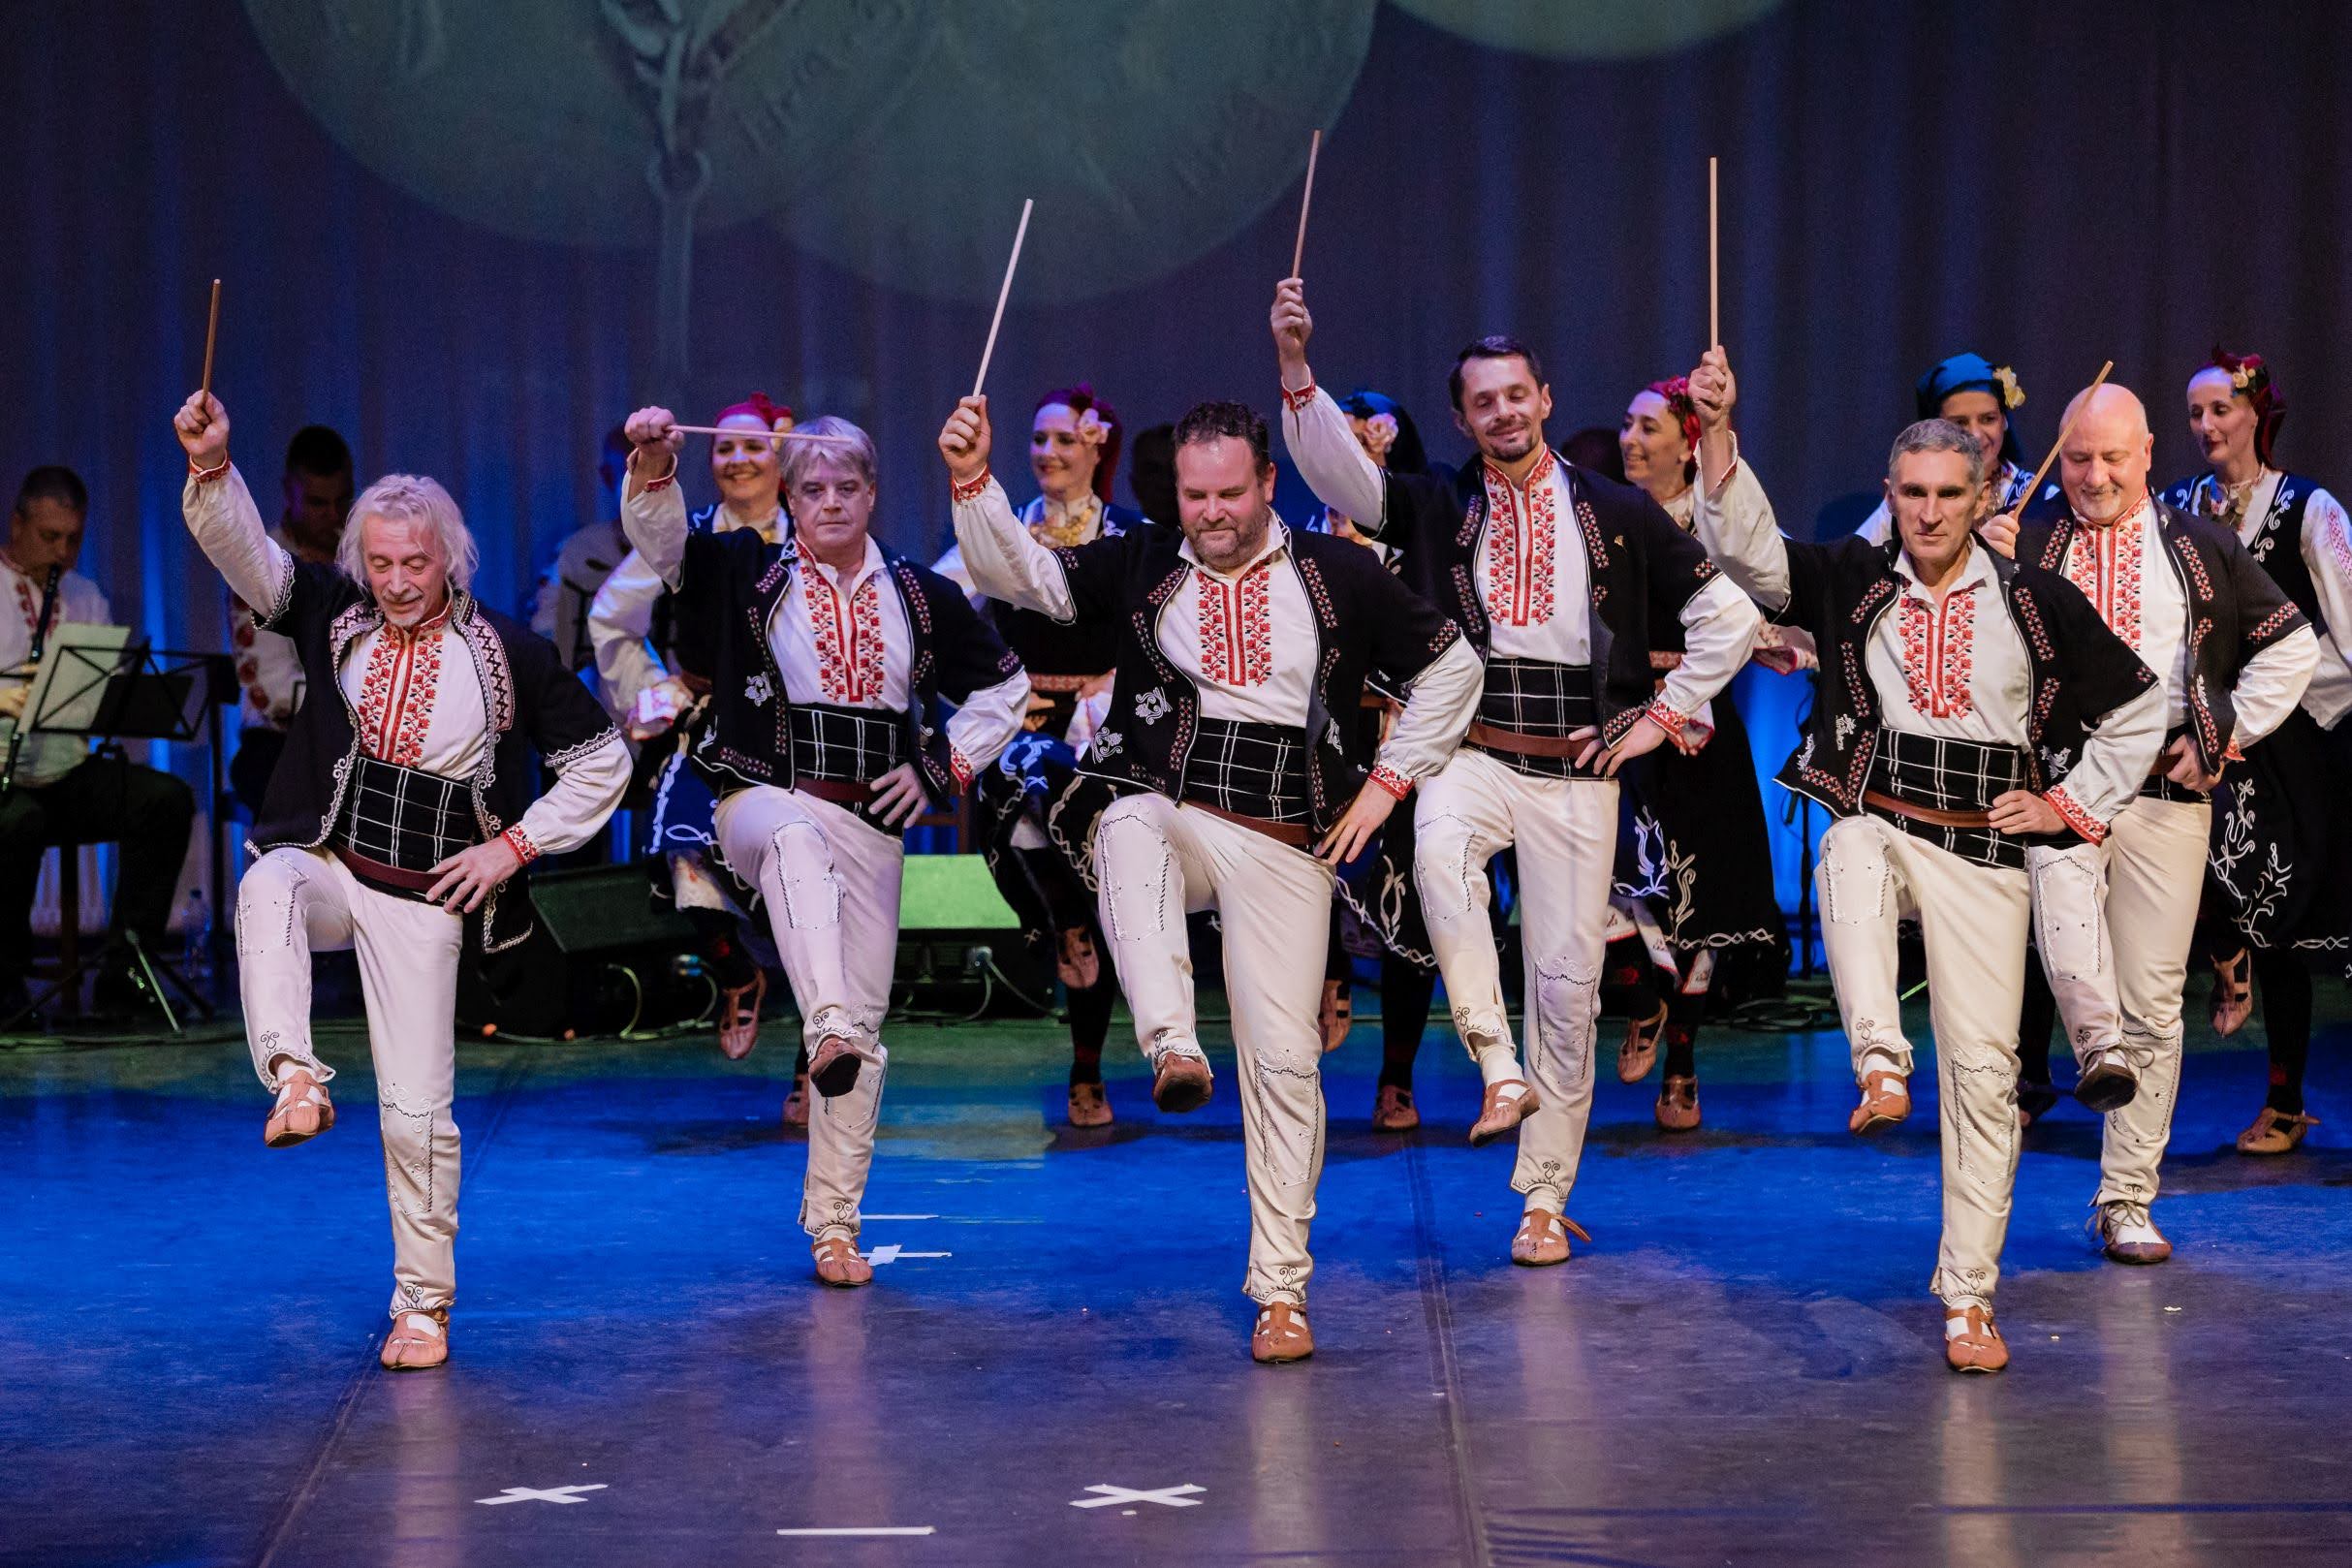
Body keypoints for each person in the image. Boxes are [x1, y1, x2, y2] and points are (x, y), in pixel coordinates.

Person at [943, 391, 1482, 1364]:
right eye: (1196, 496)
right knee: (1123, 822)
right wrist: (974, 481)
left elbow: (1452, 667)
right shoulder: (1144, 560)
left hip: (1286, 841)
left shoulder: (1337, 572)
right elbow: (1020, 574)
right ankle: (1172, 1045)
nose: (1212, 513)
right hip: (1181, 812)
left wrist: (1389, 782)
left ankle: (1281, 1290)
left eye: (1230, 493)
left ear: (1267, 482)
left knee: (1284, 1066)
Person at [1273, 279, 1758, 1270]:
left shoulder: (1616, 511)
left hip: (1576, 774)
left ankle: (1544, 1197)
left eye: (1515, 395)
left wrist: (1659, 719)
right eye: (1481, 401)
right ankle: (1496, 1061)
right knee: (1439, 859)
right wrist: (1294, 365)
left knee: (1569, 992)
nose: (1501, 412)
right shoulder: (1433, 502)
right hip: (1471, 751)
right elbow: (1336, 469)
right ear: (1461, 418)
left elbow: (1730, 619)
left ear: (1544, 398)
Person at [1697, 396, 2164, 1372]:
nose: (1930, 511)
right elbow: (1751, 557)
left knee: (1986, 1082)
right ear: (1890, 494)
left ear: (1982, 496)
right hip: (1890, 819)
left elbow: (2137, 707)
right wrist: (1717, 434)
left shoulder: (2034, 599)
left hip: (1984, 855)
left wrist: (2070, 805)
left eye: (1950, 494)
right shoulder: (1854, 578)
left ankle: (1967, 1299)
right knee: (1846, 849)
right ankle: (1878, 1059)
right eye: (1912, 492)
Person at [174, 391, 632, 1370]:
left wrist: (512, 847)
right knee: (268, 884)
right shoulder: (333, 613)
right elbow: (246, 554)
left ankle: (422, 1304)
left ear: (450, 559)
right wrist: (212, 466)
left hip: (424, 897)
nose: (394, 582)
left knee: (417, 1115)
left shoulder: (506, 650)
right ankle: (295, 1073)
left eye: (412, 564)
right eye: (378, 563)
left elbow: (603, 761)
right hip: (335, 864)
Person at [623, 405, 1031, 1290]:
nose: (832, 502)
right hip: (762, 800)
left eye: (848, 486)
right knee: (796, 844)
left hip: (869, 825)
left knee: (866, 1036)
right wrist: (654, 465)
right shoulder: (746, 570)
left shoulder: (918, 593)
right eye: (814, 488)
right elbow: (663, 546)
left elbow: (1007, 689)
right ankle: (824, 1025)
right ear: (790, 496)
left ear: (873, 493)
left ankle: (835, 1224)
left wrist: (940, 767)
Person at [1982, 381, 2315, 1260]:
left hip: (2166, 794)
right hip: (2060, 786)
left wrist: (2224, 737)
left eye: (2111, 458)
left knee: (2155, 1003)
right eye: (2077, 458)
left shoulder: (2199, 547)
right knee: (2056, 965)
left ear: (2146, 454)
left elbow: (2290, 644)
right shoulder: (2023, 536)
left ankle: (2126, 1197)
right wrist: (1984, 573)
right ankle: (2077, 1069)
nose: (2093, 476)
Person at [2158, 350, 2352, 1155]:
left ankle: (2284, 1099)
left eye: (2220, 409)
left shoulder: (2307, 508)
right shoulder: (2174, 505)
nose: (2205, 425)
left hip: (2289, 736)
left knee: (2285, 921)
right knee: (2176, 876)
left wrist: (2294, 700)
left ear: (2255, 413)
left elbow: (2345, 623)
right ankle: (2220, 954)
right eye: (2195, 412)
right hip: (2200, 730)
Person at [935, 385, 1144, 1128]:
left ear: (1096, 445)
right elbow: (933, 606)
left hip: (1106, 726)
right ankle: (1064, 926)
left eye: (1063, 439)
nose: (1047, 453)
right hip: (1025, 724)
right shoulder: (1002, 530)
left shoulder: (1127, 535)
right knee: (1027, 783)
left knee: (1101, 886)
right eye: (1037, 439)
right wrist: (983, 690)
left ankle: (1089, 1063)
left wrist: (1115, 689)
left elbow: (1161, 629)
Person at [591, 395, 800, 1095]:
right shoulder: (689, 536)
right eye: (724, 448)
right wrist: (657, 690)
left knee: (807, 879)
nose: (738, 460)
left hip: (798, 729)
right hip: (712, 722)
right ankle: (736, 972)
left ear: (780, 455)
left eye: (753, 447)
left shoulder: (810, 533)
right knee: (680, 842)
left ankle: (814, 1050)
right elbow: (611, 617)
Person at [1605, 374, 1791, 1131]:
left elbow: (1762, 594)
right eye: (1626, 424)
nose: (1629, 439)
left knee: (1700, 908)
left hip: (1698, 729)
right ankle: (1640, 996)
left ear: (1687, 446)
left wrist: (1773, 638)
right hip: (1619, 717)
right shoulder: (1602, 517)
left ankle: (1681, 1066)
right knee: (1608, 880)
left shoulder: (1712, 526)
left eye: (1647, 427)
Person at [0, 461, 200, 1022]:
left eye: (73, 539)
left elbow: (95, 699)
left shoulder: (86, 596)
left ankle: (125, 973)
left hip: (65, 772)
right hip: (5, 774)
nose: (62, 553)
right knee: (18, 823)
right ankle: (5, 980)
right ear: (16, 525)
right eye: (49, 537)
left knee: (166, 800)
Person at [1307, 389, 1445, 1131]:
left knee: (1411, 895)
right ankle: (1327, 969)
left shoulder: (1422, 538)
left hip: (1402, 733)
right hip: (1325, 734)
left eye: (1366, 446)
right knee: (1309, 871)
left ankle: (1396, 1074)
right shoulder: (1301, 536)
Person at [230, 425, 354, 816]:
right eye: (317, 503)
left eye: (342, 501)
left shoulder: (365, 561)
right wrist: (361, 702)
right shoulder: (263, 564)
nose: (333, 516)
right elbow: (274, 687)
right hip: (279, 740)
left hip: (356, 735)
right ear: (289, 492)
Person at [1857, 354, 2050, 545]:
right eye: (1960, 422)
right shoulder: (1910, 495)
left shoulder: (2040, 497)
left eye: (1988, 419)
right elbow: (1857, 556)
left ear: (2004, 421)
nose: (1975, 435)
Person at [531, 422, 635, 674]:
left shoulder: (694, 545)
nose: (645, 487)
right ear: (608, 477)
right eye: (630, 475)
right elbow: (546, 634)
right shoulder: (576, 552)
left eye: (656, 475)